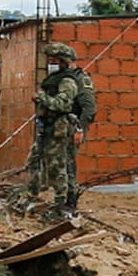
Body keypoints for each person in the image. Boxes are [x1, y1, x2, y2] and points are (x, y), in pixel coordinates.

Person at [30, 42, 92, 215]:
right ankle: (32, 194)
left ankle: (64, 203)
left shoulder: (69, 80)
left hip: (62, 129)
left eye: (55, 60)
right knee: (36, 161)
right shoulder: (54, 79)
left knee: (60, 168)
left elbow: (66, 105)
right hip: (48, 127)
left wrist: (80, 129)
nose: (51, 63)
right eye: (49, 60)